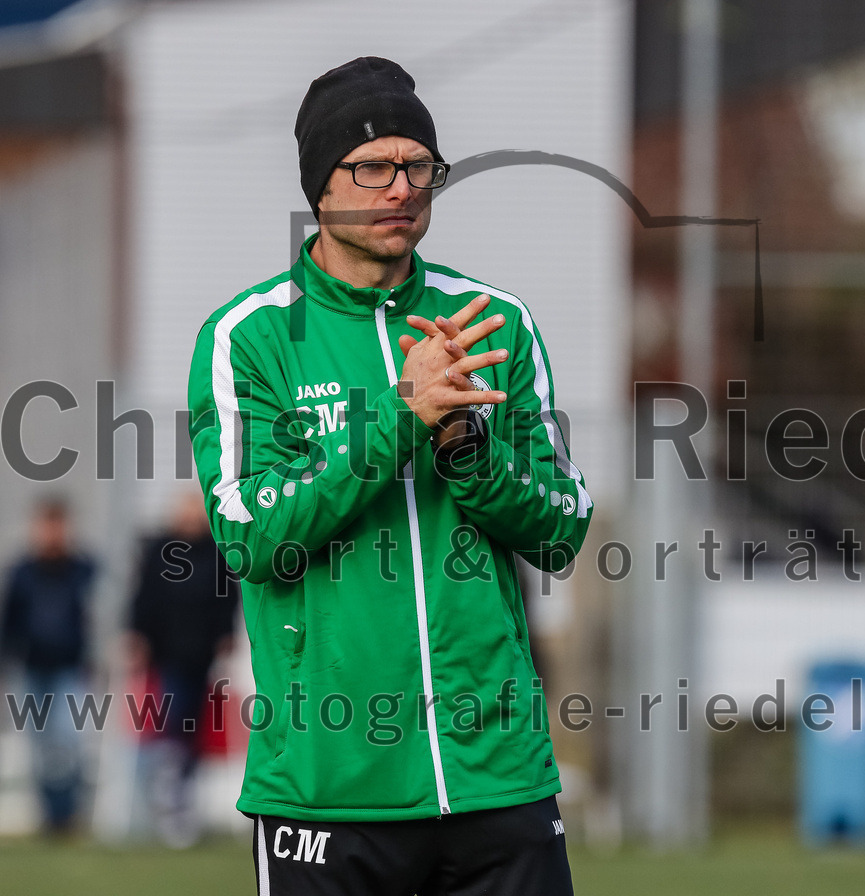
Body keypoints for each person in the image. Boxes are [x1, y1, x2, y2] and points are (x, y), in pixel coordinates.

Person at [188, 56, 593, 895]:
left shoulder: (495, 323)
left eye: (418, 166)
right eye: (372, 166)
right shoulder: (249, 337)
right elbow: (253, 538)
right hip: (328, 786)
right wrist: (398, 418)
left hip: (498, 777)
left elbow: (561, 528)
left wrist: (466, 448)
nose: (400, 187)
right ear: (320, 184)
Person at [125, 490, 240, 846]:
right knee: (170, 723)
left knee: (192, 729)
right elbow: (143, 597)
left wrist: (225, 634)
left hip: (202, 656)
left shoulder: (217, 553)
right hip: (166, 655)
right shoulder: (159, 551)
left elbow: (227, 597)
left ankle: (176, 794)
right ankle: (164, 796)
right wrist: (137, 634)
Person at [0, 498, 96, 833]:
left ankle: (68, 813)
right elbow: (9, 622)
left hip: (69, 668)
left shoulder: (83, 569)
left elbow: (97, 615)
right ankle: (50, 818)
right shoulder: (22, 572)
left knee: (67, 741)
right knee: (39, 745)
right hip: (31, 669)